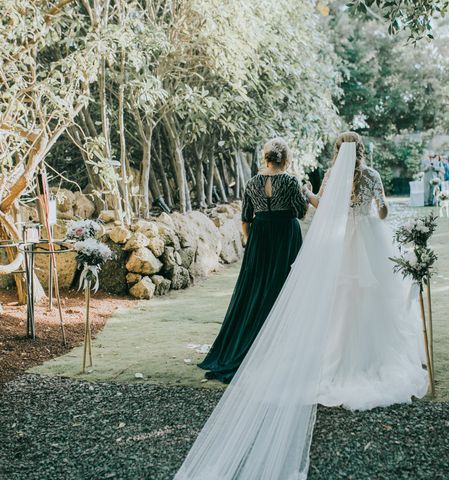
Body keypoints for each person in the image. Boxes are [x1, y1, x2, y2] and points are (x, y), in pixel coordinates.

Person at [175, 133, 428, 480]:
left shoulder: (306, 177)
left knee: (325, 297)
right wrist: (370, 207)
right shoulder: (368, 177)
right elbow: (371, 210)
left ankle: (318, 353)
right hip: (351, 237)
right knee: (369, 295)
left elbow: (309, 208)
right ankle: (369, 355)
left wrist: (314, 199)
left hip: (304, 240)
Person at [198, 137, 308, 383]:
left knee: (255, 290)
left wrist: (252, 242)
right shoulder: (291, 182)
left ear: (265, 157)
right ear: (286, 158)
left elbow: (246, 218)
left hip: (260, 238)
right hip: (285, 237)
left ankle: (246, 343)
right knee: (283, 288)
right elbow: (301, 212)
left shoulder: (253, 183)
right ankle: (280, 346)